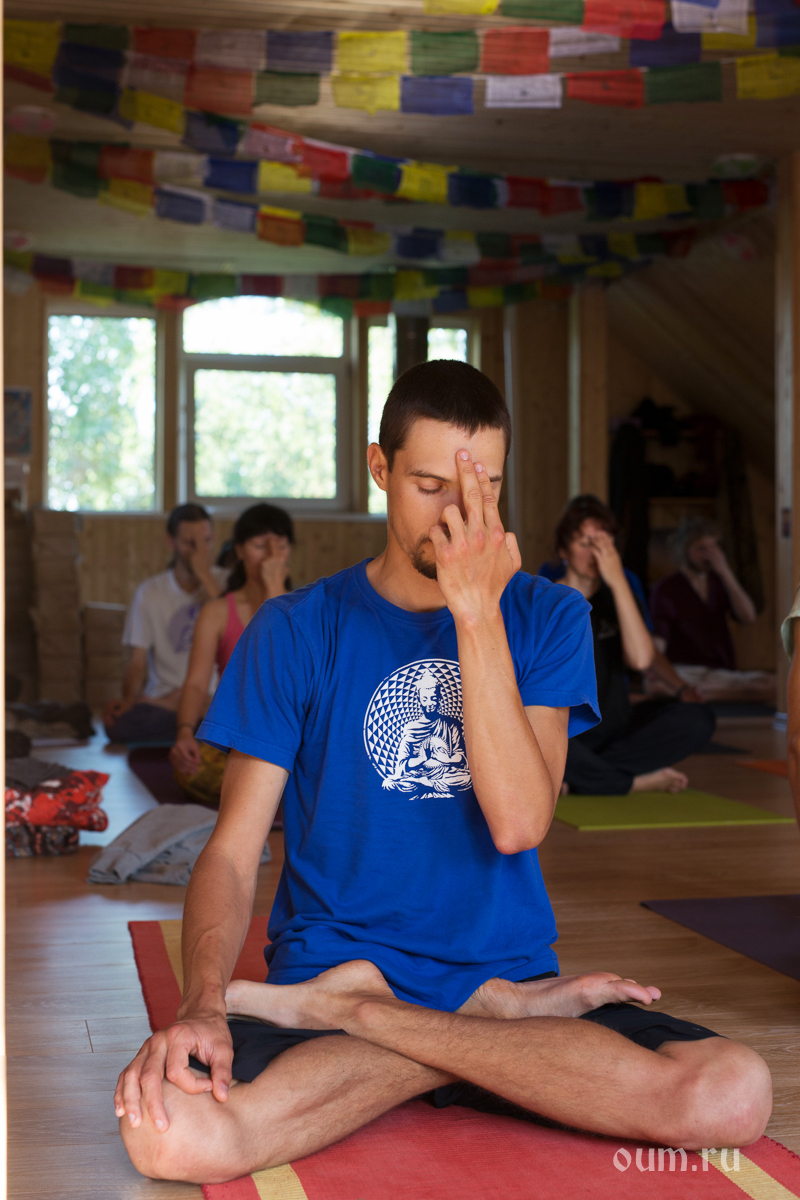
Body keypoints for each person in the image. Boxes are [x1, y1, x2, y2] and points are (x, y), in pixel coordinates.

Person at [115, 361, 770, 1186]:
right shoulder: (294, 629)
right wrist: (205, 1003)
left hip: (490, 981)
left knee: (731, 1094)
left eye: (483, 487)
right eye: (430, 485)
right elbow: (234, 851)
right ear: (380, 468)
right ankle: (459, 1024)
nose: (459, 514)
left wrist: (477, 611)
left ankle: (375, 1012)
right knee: (169, 1135)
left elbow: (519, 824)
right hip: (360, 971)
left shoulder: (548, 616)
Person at [552, 495, 715, 796]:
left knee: (698, 719)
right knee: (533, 735)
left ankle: (580, 775)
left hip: (615, 727)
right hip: (565, 729)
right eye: (586, 543)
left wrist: (617, 581)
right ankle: (630, 782)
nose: (595, 553)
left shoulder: (620, 594)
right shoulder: (547, 598)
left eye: (603, 544)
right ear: (563, 550)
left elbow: (642, 658)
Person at [169, 504, 293, 805]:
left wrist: (275, 588)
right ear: (239, 550)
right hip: (238, 737)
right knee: (192, 771)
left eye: (280, 546)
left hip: (290, 738)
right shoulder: (217, 611)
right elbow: (196, 683)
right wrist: (184, 733)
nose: (271, 556)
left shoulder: (307, 608)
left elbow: (283, 674)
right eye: (260, 546)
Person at [103, 505, 228, 745]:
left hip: (214, 699)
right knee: (118, 725)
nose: (199, 551)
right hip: (164, 701)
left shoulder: (225, 582)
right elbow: (137, 662)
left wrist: (205, 575)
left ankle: (194, 726)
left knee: (241, 720)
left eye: (206, 541)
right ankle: (197, 731)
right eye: (189, 543)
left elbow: (235, 631)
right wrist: (129, 700)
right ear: (171, 543)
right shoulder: (149, 592)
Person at [649, 519, 773, 704]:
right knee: (657, 686)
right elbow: (659, 637)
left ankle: (697, 695)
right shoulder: (666, 588)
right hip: (684, 670)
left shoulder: (719, 582)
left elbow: (748, 616)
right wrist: (654, 668)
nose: (709, 555)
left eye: (713, 547)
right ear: (684, 550)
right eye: (701, 549)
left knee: (774, 683)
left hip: (720, 672)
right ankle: (694, 693)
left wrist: (726, 572)